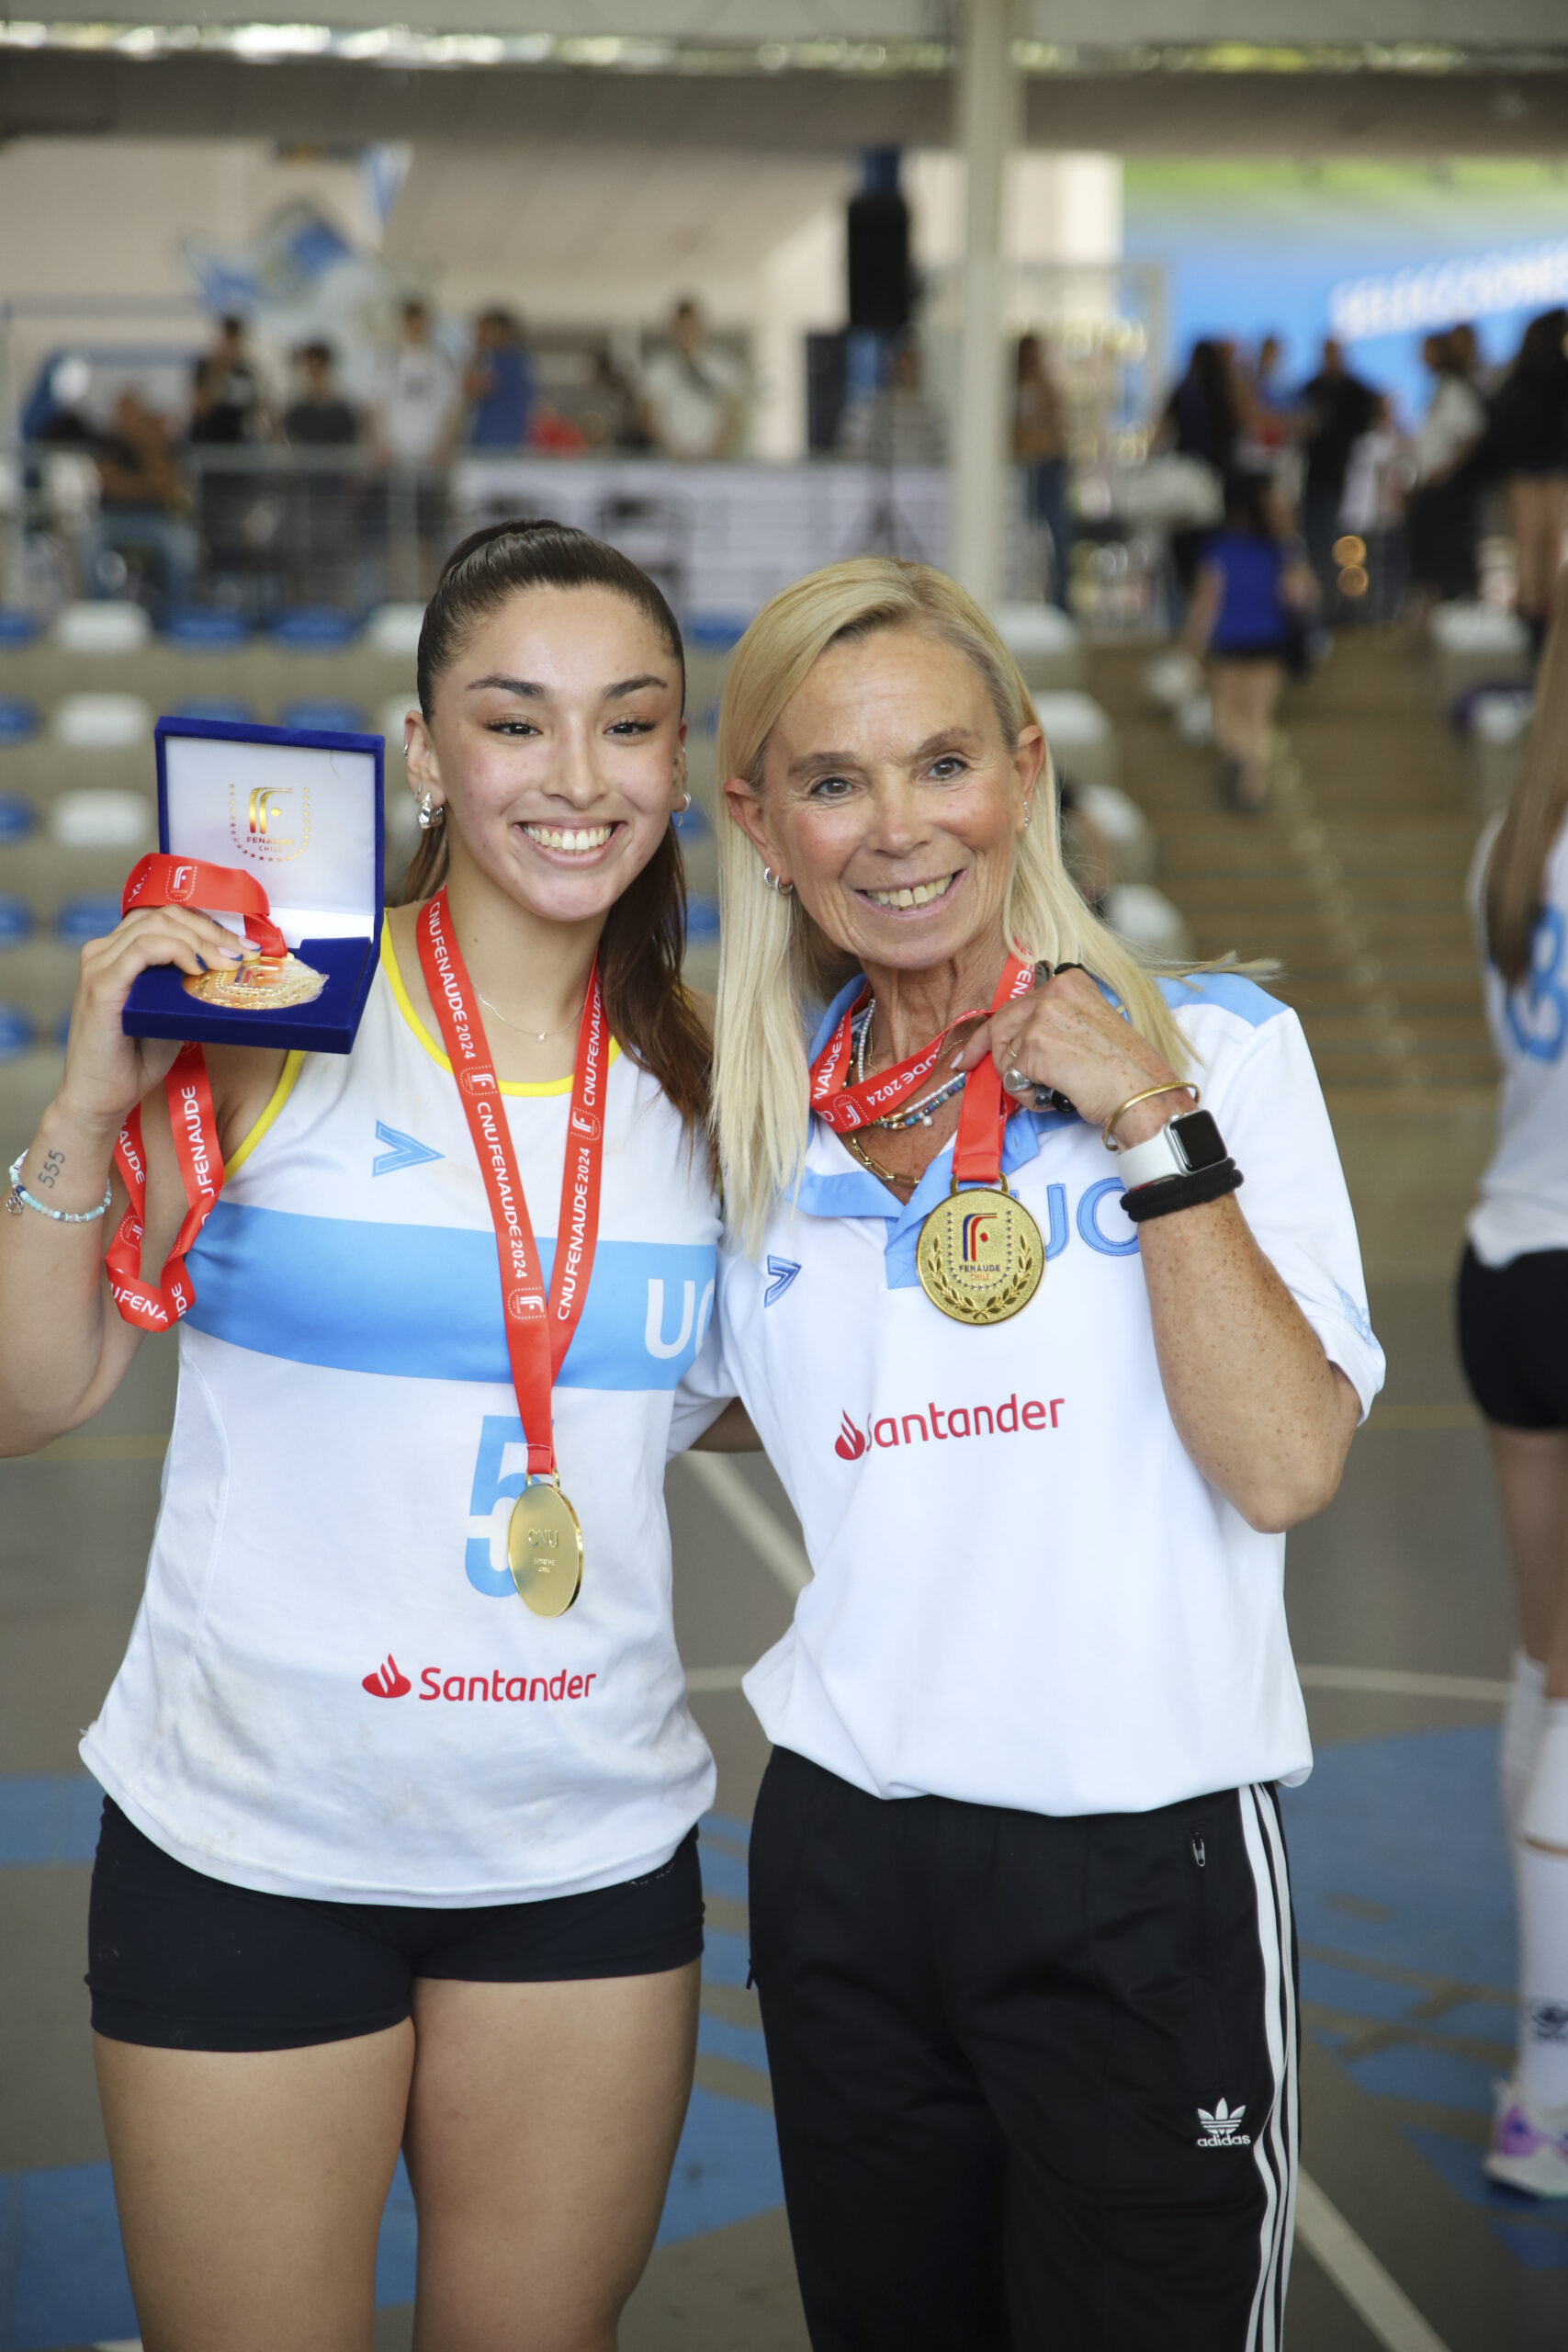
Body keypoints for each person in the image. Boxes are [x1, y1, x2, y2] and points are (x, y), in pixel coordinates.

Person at [0, 519, 746, 2350]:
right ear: (423, 751)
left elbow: (780, 1402)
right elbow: (28, 1397)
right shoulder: (267, 1020)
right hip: (251, 1838)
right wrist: (90, 1100)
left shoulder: (718, 1082)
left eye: (629, 724)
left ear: (675, 758)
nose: (577, 779)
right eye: (514, 721)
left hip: (583, 1855)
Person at [699, 556, 1382, 2349]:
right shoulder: (750, 1125)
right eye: (832, 780)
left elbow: (1286, 1459)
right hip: (847, 1850)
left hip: (1131, 1842)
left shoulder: (1216, 1046)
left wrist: (1143, 1116)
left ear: (1023, 769)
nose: (896, 827)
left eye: (941, 763)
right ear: (756, 819)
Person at [1459, 587, 1568, 2198]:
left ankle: (1542, 2068)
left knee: (1546, 1661)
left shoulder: (1511, 840)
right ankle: (1549, 2083)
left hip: (1511, 1265)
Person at [1184, 471, 1315, 811]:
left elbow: (1206, 604)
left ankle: (1242, 766)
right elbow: (1302, 595)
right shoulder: (1280, 549)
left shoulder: (1220, 550)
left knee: (1227, 717)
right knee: (1259, 719)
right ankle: (1255, 787)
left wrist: (1191, 649)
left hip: (1231, 642)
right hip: (1269, 640)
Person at [1484, 310, 1568, 660]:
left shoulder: (1518, 376)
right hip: (1545, 468)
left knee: (1535, 546)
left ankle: (1538, 619)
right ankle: (1541, 621)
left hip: (1534, 469)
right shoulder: (1550, 374)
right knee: (1546, 546)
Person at [374, 299, 462, 594]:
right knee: (394, 535)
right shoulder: (390, 360)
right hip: (397, 463)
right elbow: (376, 404)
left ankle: (428, 596)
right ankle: (395, 596)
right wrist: (382, 443)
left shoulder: (438, 361)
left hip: (428, 462)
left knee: (428, 536)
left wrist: (445, 441)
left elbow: (452, 406)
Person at [84, 388, 198, 614]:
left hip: (155, 520)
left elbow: (170, 488)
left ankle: (173, 615)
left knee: (183, 549)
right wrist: (148, 486)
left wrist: (147, 443)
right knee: (88, 545)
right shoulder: (107, 442)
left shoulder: (160, 442)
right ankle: (100, 612)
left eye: (133, 412)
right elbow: (111, 484)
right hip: (112, 519)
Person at [1156, 338, 1240, 601]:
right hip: (1216, 486)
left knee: (1182, 560)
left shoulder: (1183, 391)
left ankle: (1182, 621)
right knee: (1213, 558)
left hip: (1184, 488)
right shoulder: (1225, 395)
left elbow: (1159, 434)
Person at [1299, 337, 1378, 617]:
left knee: (1350, 548)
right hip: (1317, 483)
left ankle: (1350, 610)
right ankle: (1326, 609)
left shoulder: (1357, 392)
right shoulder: (1311, 389)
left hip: (1352, 485)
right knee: (1321, 547)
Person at [1407, 329, 1484, 613]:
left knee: (1450, 555)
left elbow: (1471, 433)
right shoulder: (1437, 388)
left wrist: (1449, 469)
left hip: (1447, 489)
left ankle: (1459, 613)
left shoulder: (1453, 388)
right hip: (1432, 485)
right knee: (1432, 557)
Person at [282, 341, 361, 607]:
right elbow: (287, 444)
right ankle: (301, 608)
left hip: (333, 494)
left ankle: (339, 609)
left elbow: (351, 450)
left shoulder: (342, 409)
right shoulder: (297, 409)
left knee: (336, 555)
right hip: (304, 494)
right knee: (301, 556)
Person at [638, 300, 746, 461]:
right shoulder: (658, 369)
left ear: (701, 326)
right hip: (670, 462)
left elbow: (735, 415)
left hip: (715, 462)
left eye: (691, 326)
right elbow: (648, 416)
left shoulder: (724, 367)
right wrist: (673, 450)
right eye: (681, 327)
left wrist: (716, 450)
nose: (686, 333)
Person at [1013, 333, 1074, 610]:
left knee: (1057, 539)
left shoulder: (1045, 389)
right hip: (1029, 469)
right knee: (1026, 541)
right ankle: (1027, 599)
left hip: (1048, 468)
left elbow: (1058, 431)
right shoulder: (1016, 390)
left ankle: (1059, 602)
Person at [464, 307, 535, 450]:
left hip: (497, 445)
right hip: (506, 442)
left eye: (484, 329)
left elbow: (471, 387)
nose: (479, 335)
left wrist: (477, 351)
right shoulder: (519, 359)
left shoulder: (507, 360)